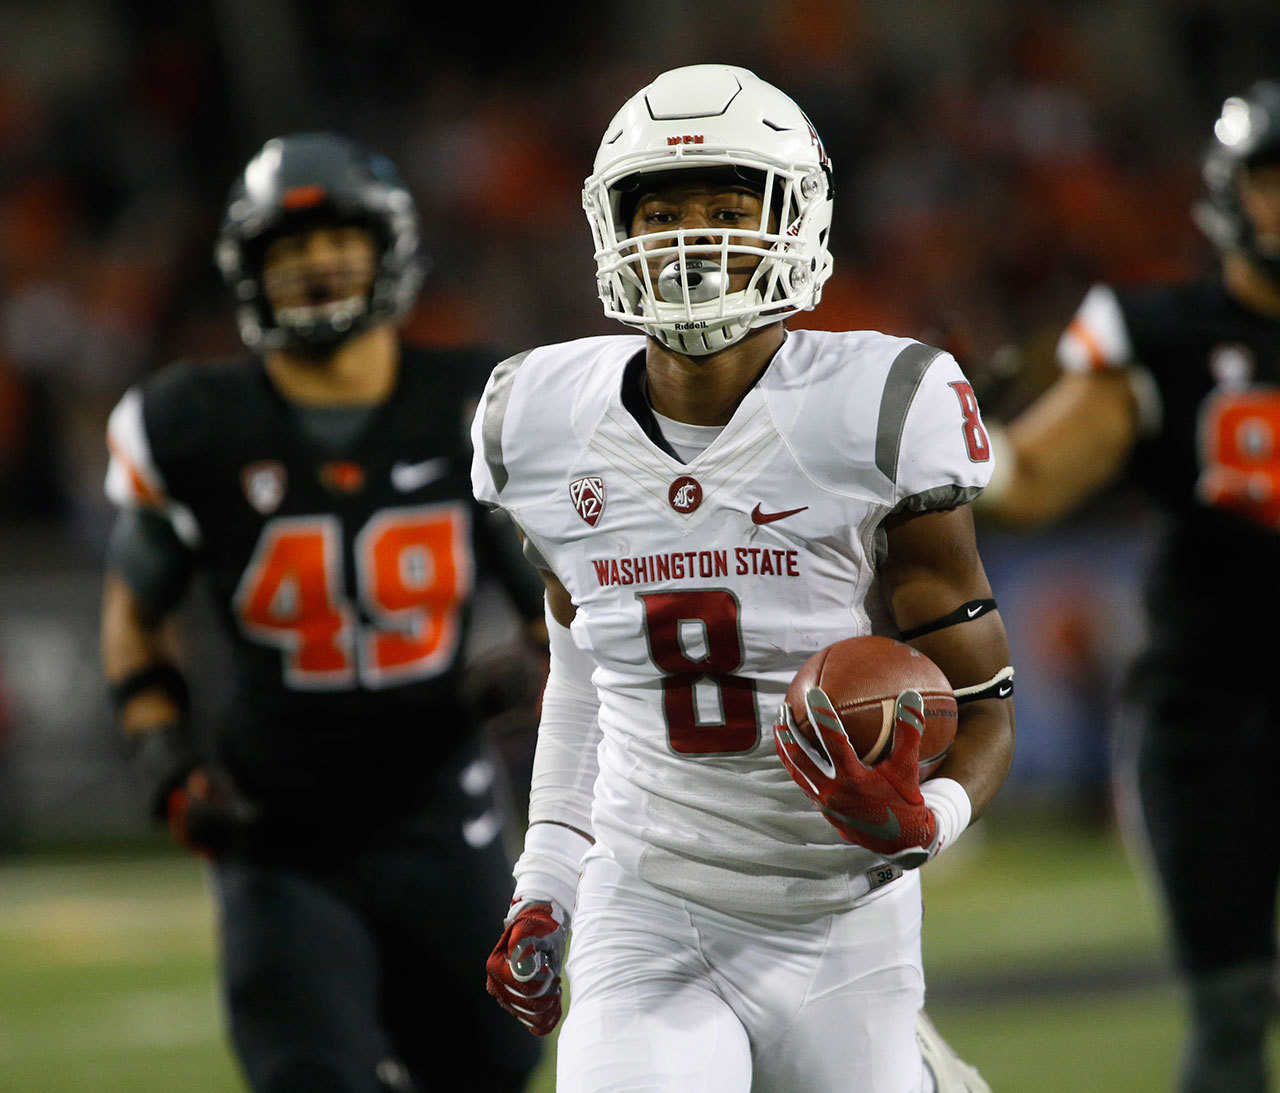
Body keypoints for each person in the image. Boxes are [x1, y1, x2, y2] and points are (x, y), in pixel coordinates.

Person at [474, 64, 1016, 1092]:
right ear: (611, 228)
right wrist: (543, 883)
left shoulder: (878, 403)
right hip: (649, 903)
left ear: (794, 218)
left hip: (838, 913)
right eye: (663, 209)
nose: (691, 241)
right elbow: (586, 670)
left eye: (727, 207)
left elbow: (981, 695)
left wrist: (926, 818)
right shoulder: (533, 418)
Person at [99, 131, 545, 1093]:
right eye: (289, 248)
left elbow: (556, 607)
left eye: (341, 239)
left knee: (490, 1065)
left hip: (438, 806)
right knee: (308, 1073)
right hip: (279, 821)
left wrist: (539, 667)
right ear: (248, 273)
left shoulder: (474, 404)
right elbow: (135, 614)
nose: (317, 263)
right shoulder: (195, 424)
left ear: (392, 250)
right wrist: (163, 757)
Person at [974, 78, 1280, 1093]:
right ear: (1230, 193)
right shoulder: (1161, 332)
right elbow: (1030, 480)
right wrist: (952, 449)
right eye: (1273, 180)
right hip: (1210, 715)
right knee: (1232, 1011)